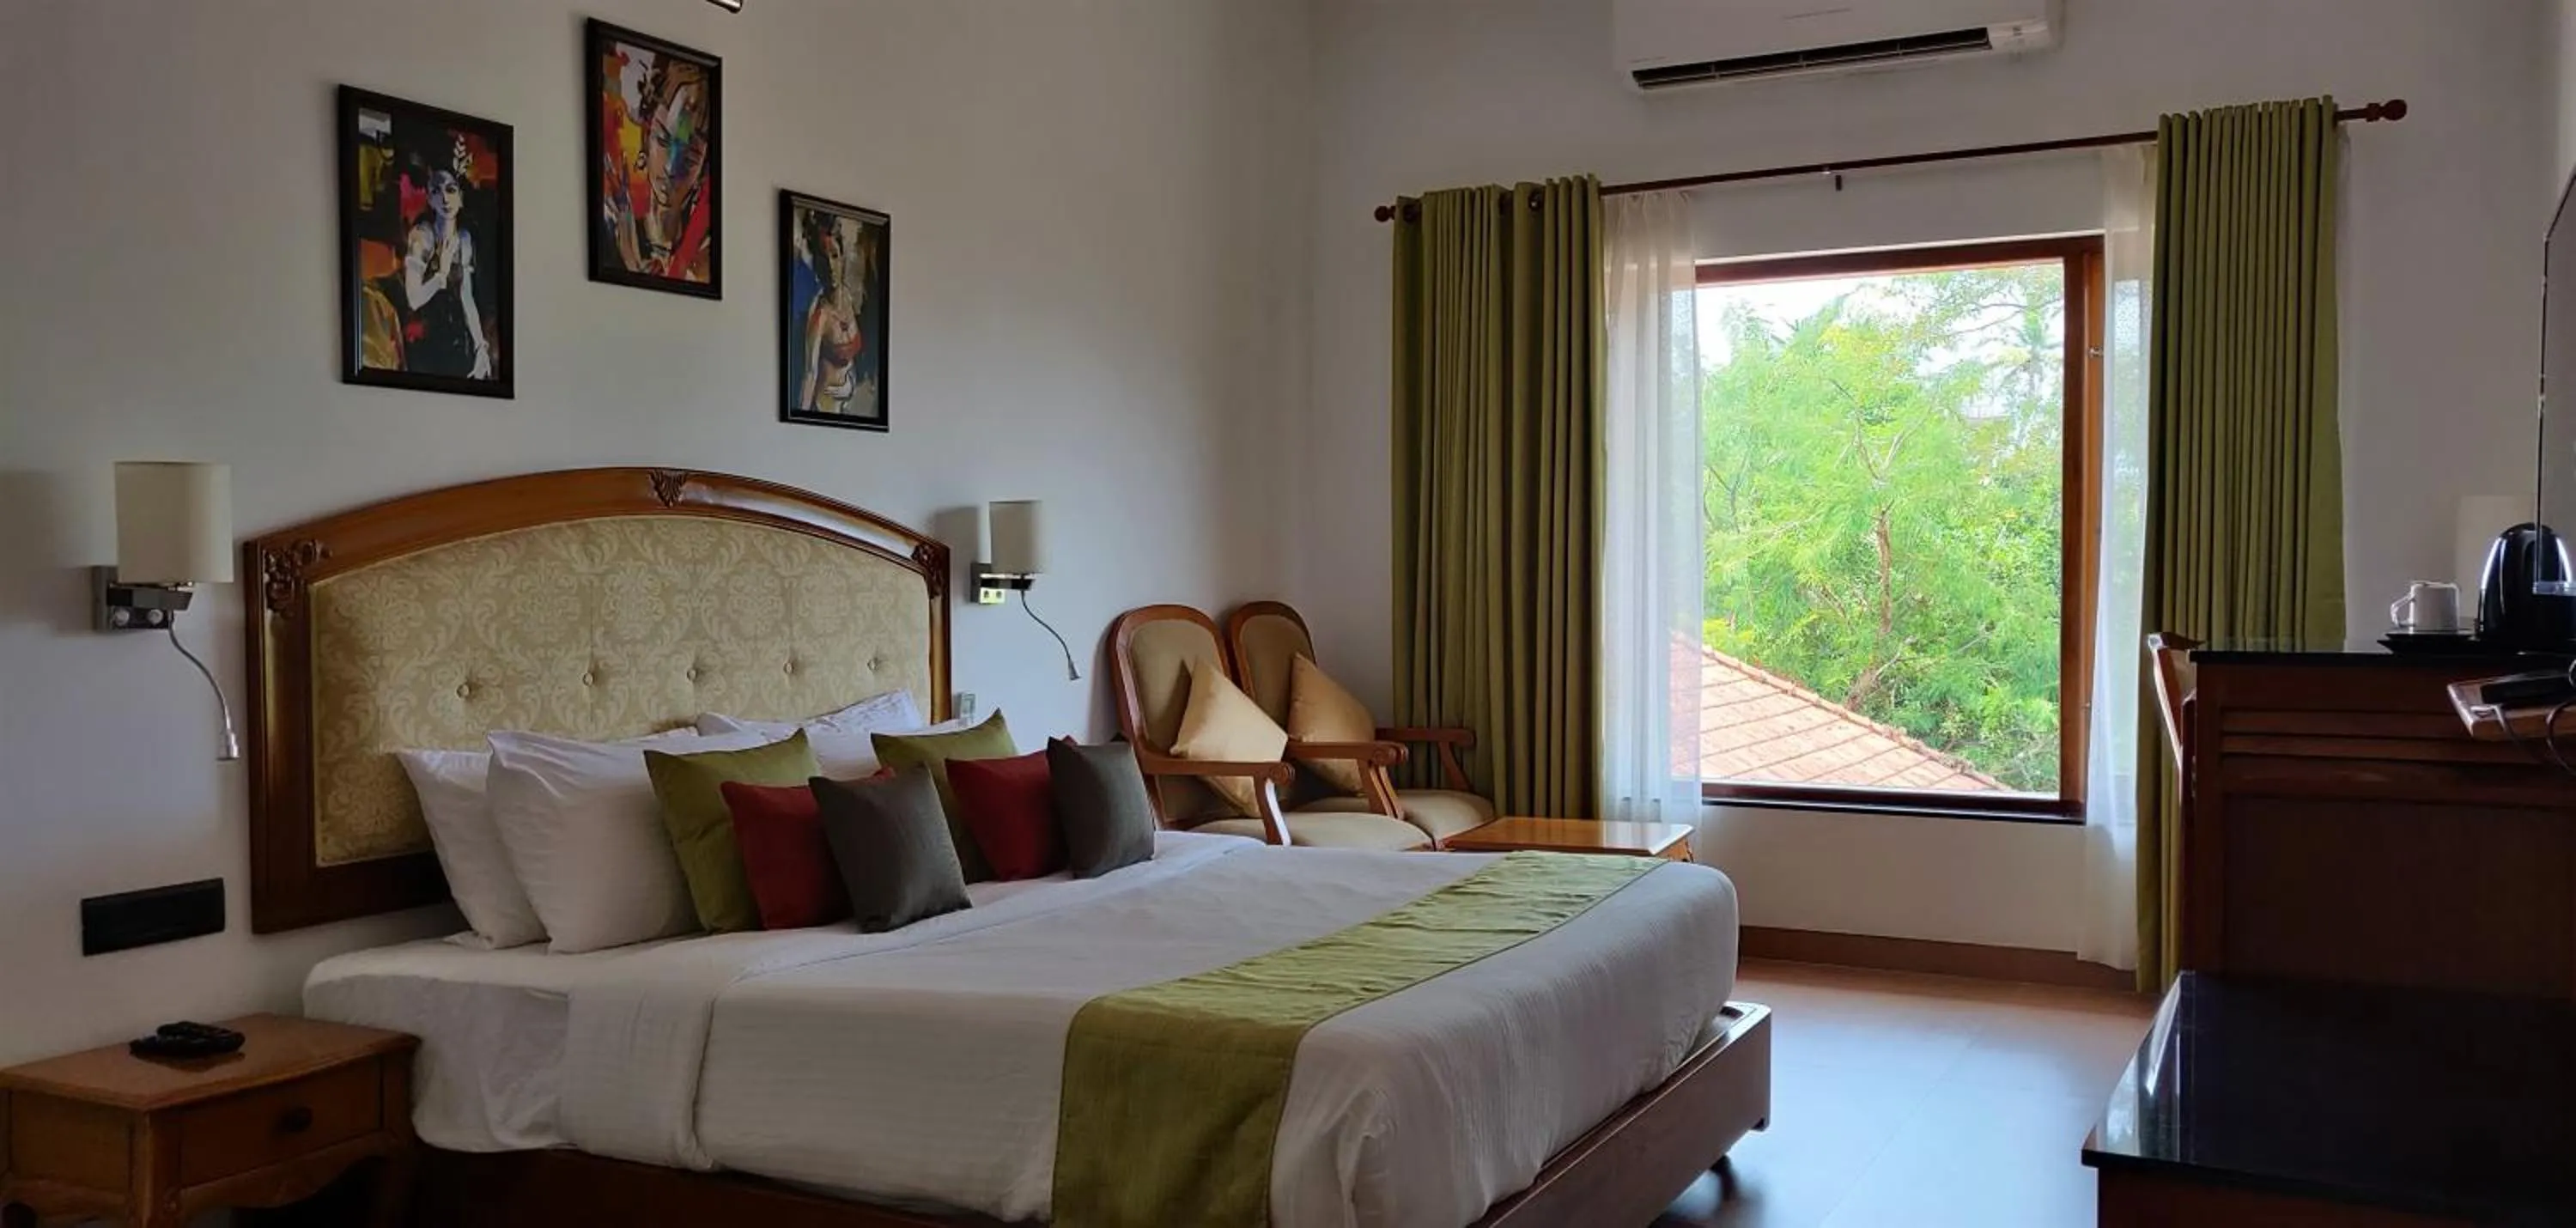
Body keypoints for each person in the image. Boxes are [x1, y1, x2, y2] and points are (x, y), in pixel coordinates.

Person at [602, 54, 712, 281]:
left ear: (703, 172)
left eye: (691, 157)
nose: (672, 167)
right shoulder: (613, 226)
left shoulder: (707, 255)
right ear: (645, 138)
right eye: (662, 140)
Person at [401, 137, 493, 380]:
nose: (444, 198)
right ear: (429, 198)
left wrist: (480, 346)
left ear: (461, 196)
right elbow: (413, 299)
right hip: (424, 345)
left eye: (451, 190)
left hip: (456, 342)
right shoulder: (422, 236)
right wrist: (440, 275)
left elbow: (466, 296)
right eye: (436, 191)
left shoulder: (464, 238)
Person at [797, 215, 873, 416]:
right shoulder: (820, 314)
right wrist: (803, 416)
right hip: (826, 409)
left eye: (834, 255)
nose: (831, 266)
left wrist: (851, 386)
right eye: (824, 259)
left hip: (849, 407)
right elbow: (810, 374)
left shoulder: (849, 300)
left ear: (842, 258)